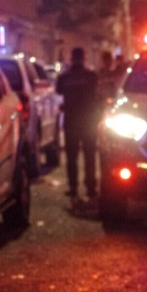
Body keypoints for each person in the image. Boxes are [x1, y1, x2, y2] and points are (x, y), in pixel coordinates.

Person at [56, 46, 101, 200]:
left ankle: (73, 187)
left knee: (72, 156)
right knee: (90, 155)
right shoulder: (91, 76)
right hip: (88, 121)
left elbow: (59, 91)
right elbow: (97, 96)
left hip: (71, 121)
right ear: (84, 58)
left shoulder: (65, 77)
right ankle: (91, 188)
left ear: (71, 58)